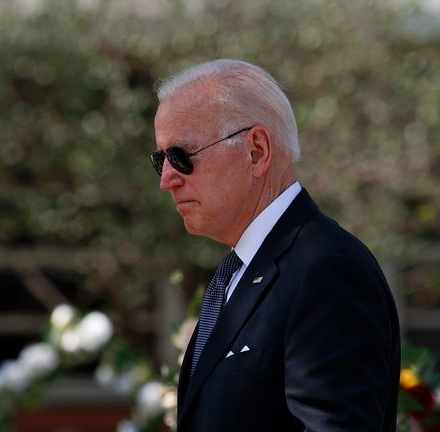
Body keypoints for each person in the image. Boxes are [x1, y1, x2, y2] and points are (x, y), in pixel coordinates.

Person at [151, 59, 401, 431]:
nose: (167, 180)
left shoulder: (326, 269)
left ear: (256, 151)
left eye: (181, 157)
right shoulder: (241, 272)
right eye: (160, 160)